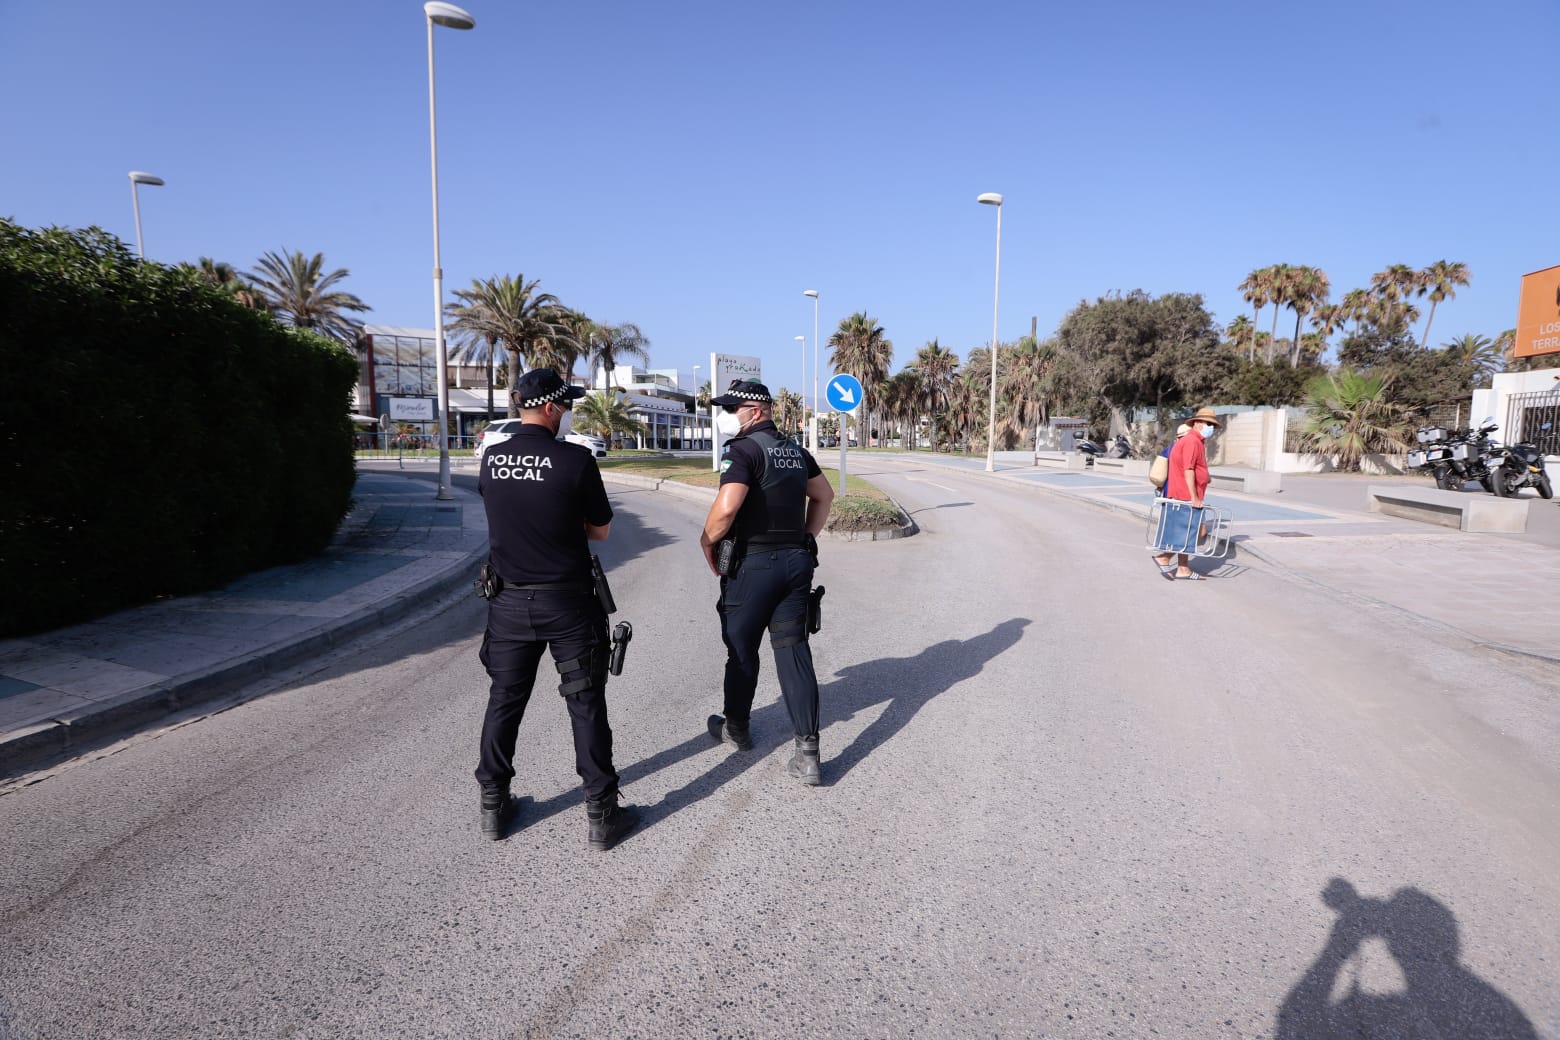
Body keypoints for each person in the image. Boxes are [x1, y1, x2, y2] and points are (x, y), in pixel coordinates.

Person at [473, 368, 636, 849]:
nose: (566, 414)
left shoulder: (491, 459)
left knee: (504, 700)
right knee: (585, 704)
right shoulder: (575, 461)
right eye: (564, 406)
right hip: (566, 601)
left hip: (506, 601)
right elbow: (601, 530)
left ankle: (493, 806)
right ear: (549, 407)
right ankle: (602, 815)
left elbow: (504, 513)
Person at [700, 379, 835, 785]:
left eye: (731, 409)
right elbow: (824, 496)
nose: (727, 417)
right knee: (793, 650)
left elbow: (726, 510)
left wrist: (707, 542)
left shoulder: (742, 452)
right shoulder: (796, 451)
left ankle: (736, 728)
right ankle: (808, 753)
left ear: (755, 411)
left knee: (741, 650)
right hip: (796, 564)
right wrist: (806, 538)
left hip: (753, 566)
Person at [1153, 408, 1219, 580]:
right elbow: (1188, 469)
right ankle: (1164, 557)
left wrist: (1205, 477)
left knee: (1187, 531)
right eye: (1208, 424)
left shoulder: (1193, 441)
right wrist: (1194, 497)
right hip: (1186, 495)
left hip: (1184, 494)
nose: (1211, 428)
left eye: (1213, 425)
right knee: (1188, 532)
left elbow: (1193, 468)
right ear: (1197, 423)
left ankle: (1183, 569)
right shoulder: (1192, 441)